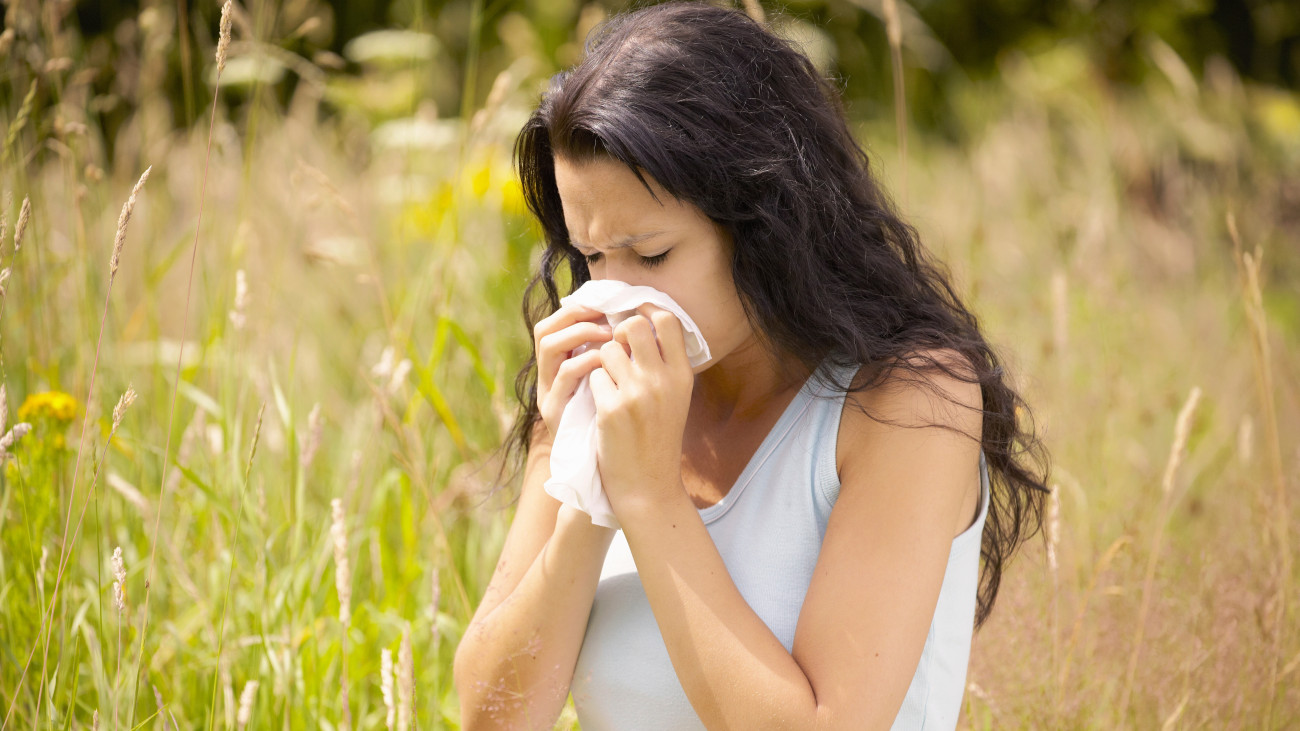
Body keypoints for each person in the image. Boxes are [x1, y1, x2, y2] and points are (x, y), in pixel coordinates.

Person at [452, 2, 1049, 729]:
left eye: (653, 254)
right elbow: (493, 718)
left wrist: (652, 500)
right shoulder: (597, 387)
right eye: (594, 255)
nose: (615, 294)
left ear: (765, 222)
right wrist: (589, 490)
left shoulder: (908, 403)